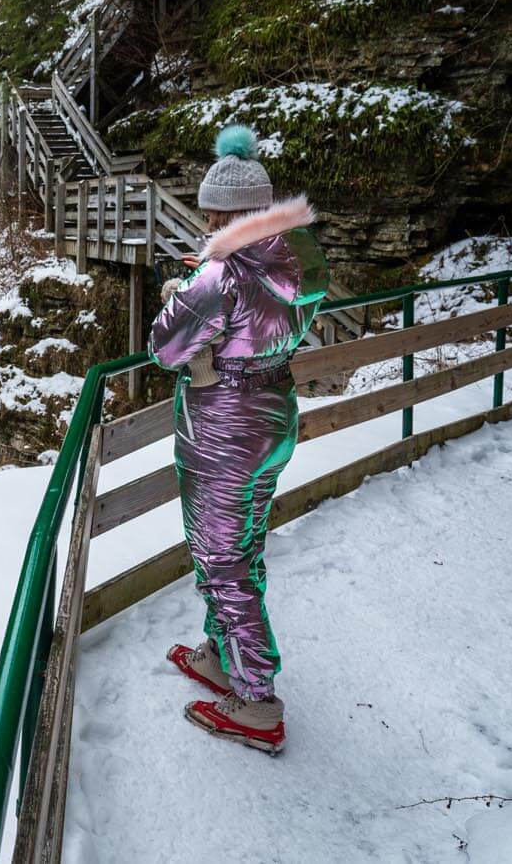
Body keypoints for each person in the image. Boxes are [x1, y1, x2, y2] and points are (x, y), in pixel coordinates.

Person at [146, 123, 328, 755]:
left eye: (211, 214)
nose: (205, 226)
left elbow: (164, 347)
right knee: (241, 547)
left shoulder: (220, 275)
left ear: (228, 213)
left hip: (222, 425)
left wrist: (179, 295)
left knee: (221, 559)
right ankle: (224, 656)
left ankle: (255, 698)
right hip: (273, 411)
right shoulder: (298, 259)